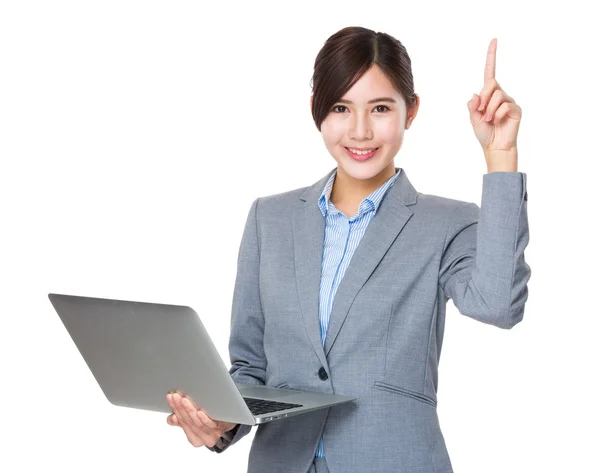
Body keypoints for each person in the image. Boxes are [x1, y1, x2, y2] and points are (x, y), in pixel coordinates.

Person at [164, 26, 530, 473]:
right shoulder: (269, 219)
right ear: (318, 111)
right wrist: (221, 421)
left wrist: (501, 155)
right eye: (341, 107)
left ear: (410, 111)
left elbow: (498, 305)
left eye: (380, 108)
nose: (359, 131)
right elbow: (250, 367)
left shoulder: (447, 222)